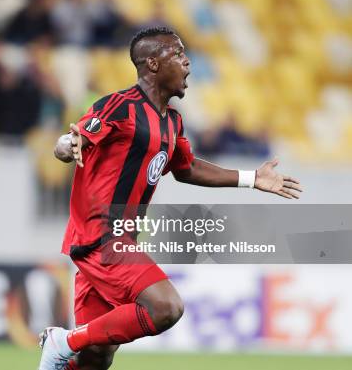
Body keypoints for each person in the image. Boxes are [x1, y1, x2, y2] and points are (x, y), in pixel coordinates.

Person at [38, 27, 302, 370]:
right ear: (152, 64)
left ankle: (68, 346)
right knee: (166, 308)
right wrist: (66, 146)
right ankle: (63, 340)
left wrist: (252, 179)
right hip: (102, 236)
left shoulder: (172, 123)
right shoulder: (121, 106)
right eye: (177, 54)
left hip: (116, 240)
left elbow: (187, 168)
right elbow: (74, 138)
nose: (187, 62)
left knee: (95, 358)